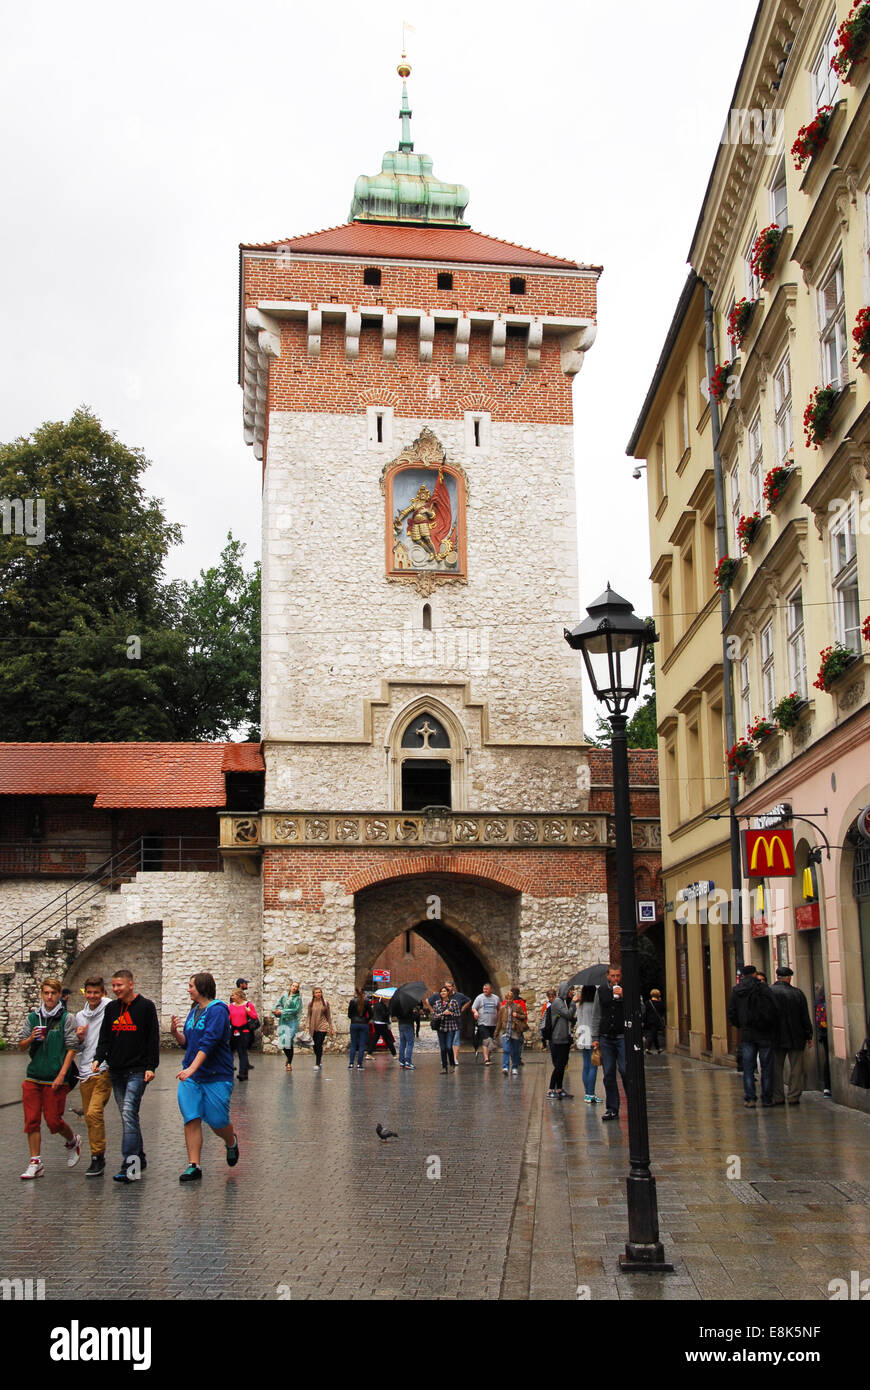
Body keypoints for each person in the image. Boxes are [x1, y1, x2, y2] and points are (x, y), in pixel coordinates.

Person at [171, 973, 239, 1182]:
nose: (188, 989)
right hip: (192, 1076)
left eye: (191, 986)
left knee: (217, 1120)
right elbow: (189, 1042)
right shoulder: (194, 1011)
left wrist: (192, 1067)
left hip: (216, 1075)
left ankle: (231, 1141)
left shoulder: (218, 1010)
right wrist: (176, 1034)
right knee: (191, 1117)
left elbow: (209, 1041)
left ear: (202, 987)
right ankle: (194, 1165)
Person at [93, 969, 159, 1183]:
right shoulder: (112, 1008)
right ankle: (139, 1156)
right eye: (113, 986)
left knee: (129, 1113)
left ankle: (130, 1166)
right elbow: (105, 1037)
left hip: (137, 1070)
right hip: (117, 1071)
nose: (115, 989)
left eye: (119, 985)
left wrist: (151, 1066)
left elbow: (152, 1038)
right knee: (128, 1116)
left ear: (131, 984)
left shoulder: (146, 1007)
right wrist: (98, 1058)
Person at [18, 977, 82, 1179]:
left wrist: (62, 1074)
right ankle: (35, 1161)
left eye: (53, 993)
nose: (49, 997)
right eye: (46, 993)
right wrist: (31, 1038)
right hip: (34, 1076)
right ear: (41, 994)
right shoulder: (32, 1018)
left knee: (54, 1122)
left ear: (58, 995)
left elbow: (72, 1047)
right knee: (31, 1120)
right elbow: (21, 1044)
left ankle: (73, 1140)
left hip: (56, 1077)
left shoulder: (66, 1018)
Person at [75, 976, 113, 1176]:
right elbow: (80, 1047)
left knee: (93, 1113)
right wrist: (79, 1038)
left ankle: (98, 1156)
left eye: (96, 992)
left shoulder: (110, 1007)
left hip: (103, 1070)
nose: (92, 996)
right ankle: (96, 1156)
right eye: (89, 992)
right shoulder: (80, 1016)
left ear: (102, 993)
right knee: (90, 1118)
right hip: (85, 1072)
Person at [726, 963, 778, 1109]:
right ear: (755, 974)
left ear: (742, 975)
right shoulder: (764, 988)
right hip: (765, 1032)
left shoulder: (737, 991)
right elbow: (774, 1009)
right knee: (767, 1066)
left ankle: (750, 1098)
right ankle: (767, 1098)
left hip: (747, 1033)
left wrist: (741, 1025)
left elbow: (732, 1012)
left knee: (748, 1067)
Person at [771, 967, 813, 1105]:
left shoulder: (769, 992)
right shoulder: (797, 993)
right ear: (789, 978)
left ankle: (778, 1096)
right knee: (796, 1067)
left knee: (776, 1068)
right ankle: (793, 1095)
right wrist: (809, 1035)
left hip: (775, 1036)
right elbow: (804, 1016)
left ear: (777, 977)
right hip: (796, 1036)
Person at [592, 966, 628, 1121]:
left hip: (622, 1037)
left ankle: (632, 1104)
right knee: (609, 1074)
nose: (615, 979)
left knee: (625, 1070)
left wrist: (625, 997)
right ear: (608, 976)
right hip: (606, 1037)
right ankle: (612, 1108)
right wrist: (595, 1037)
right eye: (613, 976)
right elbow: (596, 1014)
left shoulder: (628, 990)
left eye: (618, 976)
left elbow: (640, 1009)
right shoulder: (601, 992)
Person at [547, 985, 576, 1099]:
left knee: (562, 1064)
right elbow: (568, 1014)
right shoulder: (558, 1002)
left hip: (565, 1038)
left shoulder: (564, 1002)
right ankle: (550, 1089)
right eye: (570, 990)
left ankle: (559, 1088)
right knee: (559, 1065)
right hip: (558, 1038)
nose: (572, 992)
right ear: (565, 990)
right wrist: (573, 1003)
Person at [575, 983, 601, 1103]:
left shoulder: (580, 1005)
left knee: (586, 1065)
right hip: (591, 1034)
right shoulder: (593, 1006)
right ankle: (590, 1093)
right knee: (593, 1066)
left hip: (582, 1034)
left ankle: (587, 1092)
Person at [495, 989, 528, 1075]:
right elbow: (499, 1021)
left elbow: (524, 1016)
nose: (509, 1000)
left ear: (512, 999)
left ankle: (514, 1067)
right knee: (506, 1049)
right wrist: (496, 1032)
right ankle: (505, 1067)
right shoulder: (502, 1008)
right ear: (505, 999)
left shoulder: (517, 1007)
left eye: (510, 999)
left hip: (515, 1031)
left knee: (515, 1051)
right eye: (507, 999)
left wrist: (517, 1015)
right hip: (506, 1031)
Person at [228, 988, 258, 1081]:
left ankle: (243, 1073)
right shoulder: (231, 1006)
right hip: (234, 1030)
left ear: (239, 996)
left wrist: (248, 1011)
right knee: (230, 1051)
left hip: (244, 1031)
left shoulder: (248, 1005)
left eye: (233, 995)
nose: (232, 997)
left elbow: (254, 1016)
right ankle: (228, 1071)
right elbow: (228, 1018)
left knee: (242, 1052)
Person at [273, 982, 303, 1072]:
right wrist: (276, 1011)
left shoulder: (298, 998)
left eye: (296, 987)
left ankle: (289, 1062)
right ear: (290, 986)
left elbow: (296, 1010)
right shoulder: (285, 996)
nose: (294, 988)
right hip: (284, 1021)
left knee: (289, 1040)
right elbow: (279, 1004)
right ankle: (288, 1056)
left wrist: (283, 1012)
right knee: (283, 1042)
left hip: (292, 1021)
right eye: (293, 986)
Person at [471, 982, 501, 1066]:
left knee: (490, 1039)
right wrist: (476, 1012)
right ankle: (486, 1058)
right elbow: (473, 1007)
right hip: (482, 1022)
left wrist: (499, 1018)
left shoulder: (496, 998)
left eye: (487, 989)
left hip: (493, 1023)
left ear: (491, 989)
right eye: (484, 989)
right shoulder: (479, 998)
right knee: (486, 1039)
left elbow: (499, 1008)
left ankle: (488, 1056)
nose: (485, 991)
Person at [432, 986, 461, 1073]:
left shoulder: (453, 1002)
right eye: (441, 992)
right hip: (441, 1027)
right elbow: (434, 1015)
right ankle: (444, 1067)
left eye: (444, 991)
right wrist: (439, 1015)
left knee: (449, 1047)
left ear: (448, 993)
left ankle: (452, 1063)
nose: (443, 993)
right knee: (443, 1048)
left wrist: (451, 1013)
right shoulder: (437, 1003)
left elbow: (458, 1014)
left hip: (450, 1027)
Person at [307, 987, 334, 1069]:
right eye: (316, 992)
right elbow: (309, 1015)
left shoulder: (325, 1003)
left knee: (319, 1044)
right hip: (313, 1026)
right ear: (313, 994)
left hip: (323, 1025)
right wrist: (306, 1026)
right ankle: (319, 1057)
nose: (318, 994)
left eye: (319, 992)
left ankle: (317, 1063)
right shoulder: (311, 1004)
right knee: (314, 1045)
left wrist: (331, 1027)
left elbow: (328, 1015)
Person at [347, 988, 372, 1070]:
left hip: (354, 1023)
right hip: (364, 1024)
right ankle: (359, 1064)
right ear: (364, 994)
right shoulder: (367, 1002)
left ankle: (351, 1063)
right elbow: (371, 1014)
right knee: (362, 1045)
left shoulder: (352, 1002)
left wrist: (354, 1019)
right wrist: (366, 1020)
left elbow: (349, 1014)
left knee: (353, 1044)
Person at [815, 983, 831, 1096]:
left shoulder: (819, 998)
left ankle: (827, 1087)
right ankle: (827, 1086)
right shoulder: (824, 997)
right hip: (825, 1032)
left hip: (823, 1032)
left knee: (827, 1059)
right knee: (828, 1059)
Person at [643, 989, 665, 1053]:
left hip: (649, 1020)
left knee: (654, 1034)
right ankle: (647, 1048)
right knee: (652, 1034)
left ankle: (658, 1048)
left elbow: (646, 1012)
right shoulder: (660, 1003)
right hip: (656, 1021)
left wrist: (644, 1020)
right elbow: (662, 1012)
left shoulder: (648, 1002)